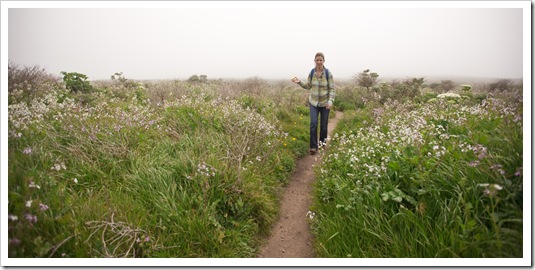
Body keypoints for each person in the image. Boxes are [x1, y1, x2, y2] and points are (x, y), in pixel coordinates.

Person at [291, 52, 335, 155]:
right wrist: (299, 82)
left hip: (325, 104)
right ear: (314, 61)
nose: (319, 62)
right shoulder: (312, 73)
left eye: (321, 60)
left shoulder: (328, 74)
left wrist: (330, 101)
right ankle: (313, 147)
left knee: (323, 126)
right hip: (313, 103)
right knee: (313, 124)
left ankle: (322, 144)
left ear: (324, 61)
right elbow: (308, 86)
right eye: (317, 60)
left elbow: (332, 89)